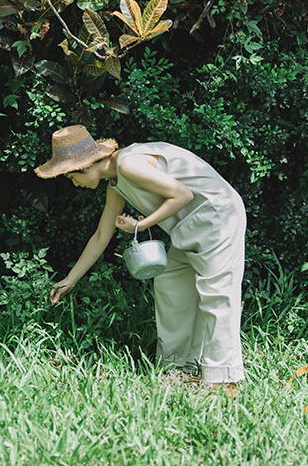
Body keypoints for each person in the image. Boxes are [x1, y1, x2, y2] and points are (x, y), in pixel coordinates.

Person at [34, 125, 247, 392]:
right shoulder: (116, 182)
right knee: (171, 284)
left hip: (218, 217)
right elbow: (102, 234)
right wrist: (71, 279)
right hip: (189, 226)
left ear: (84, 167)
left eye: (70, 178)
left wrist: (141, 225)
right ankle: (178, 367)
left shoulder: (128, 165)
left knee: (217, 294)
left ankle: (223, 379)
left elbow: (183, 194)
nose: (74, 184)